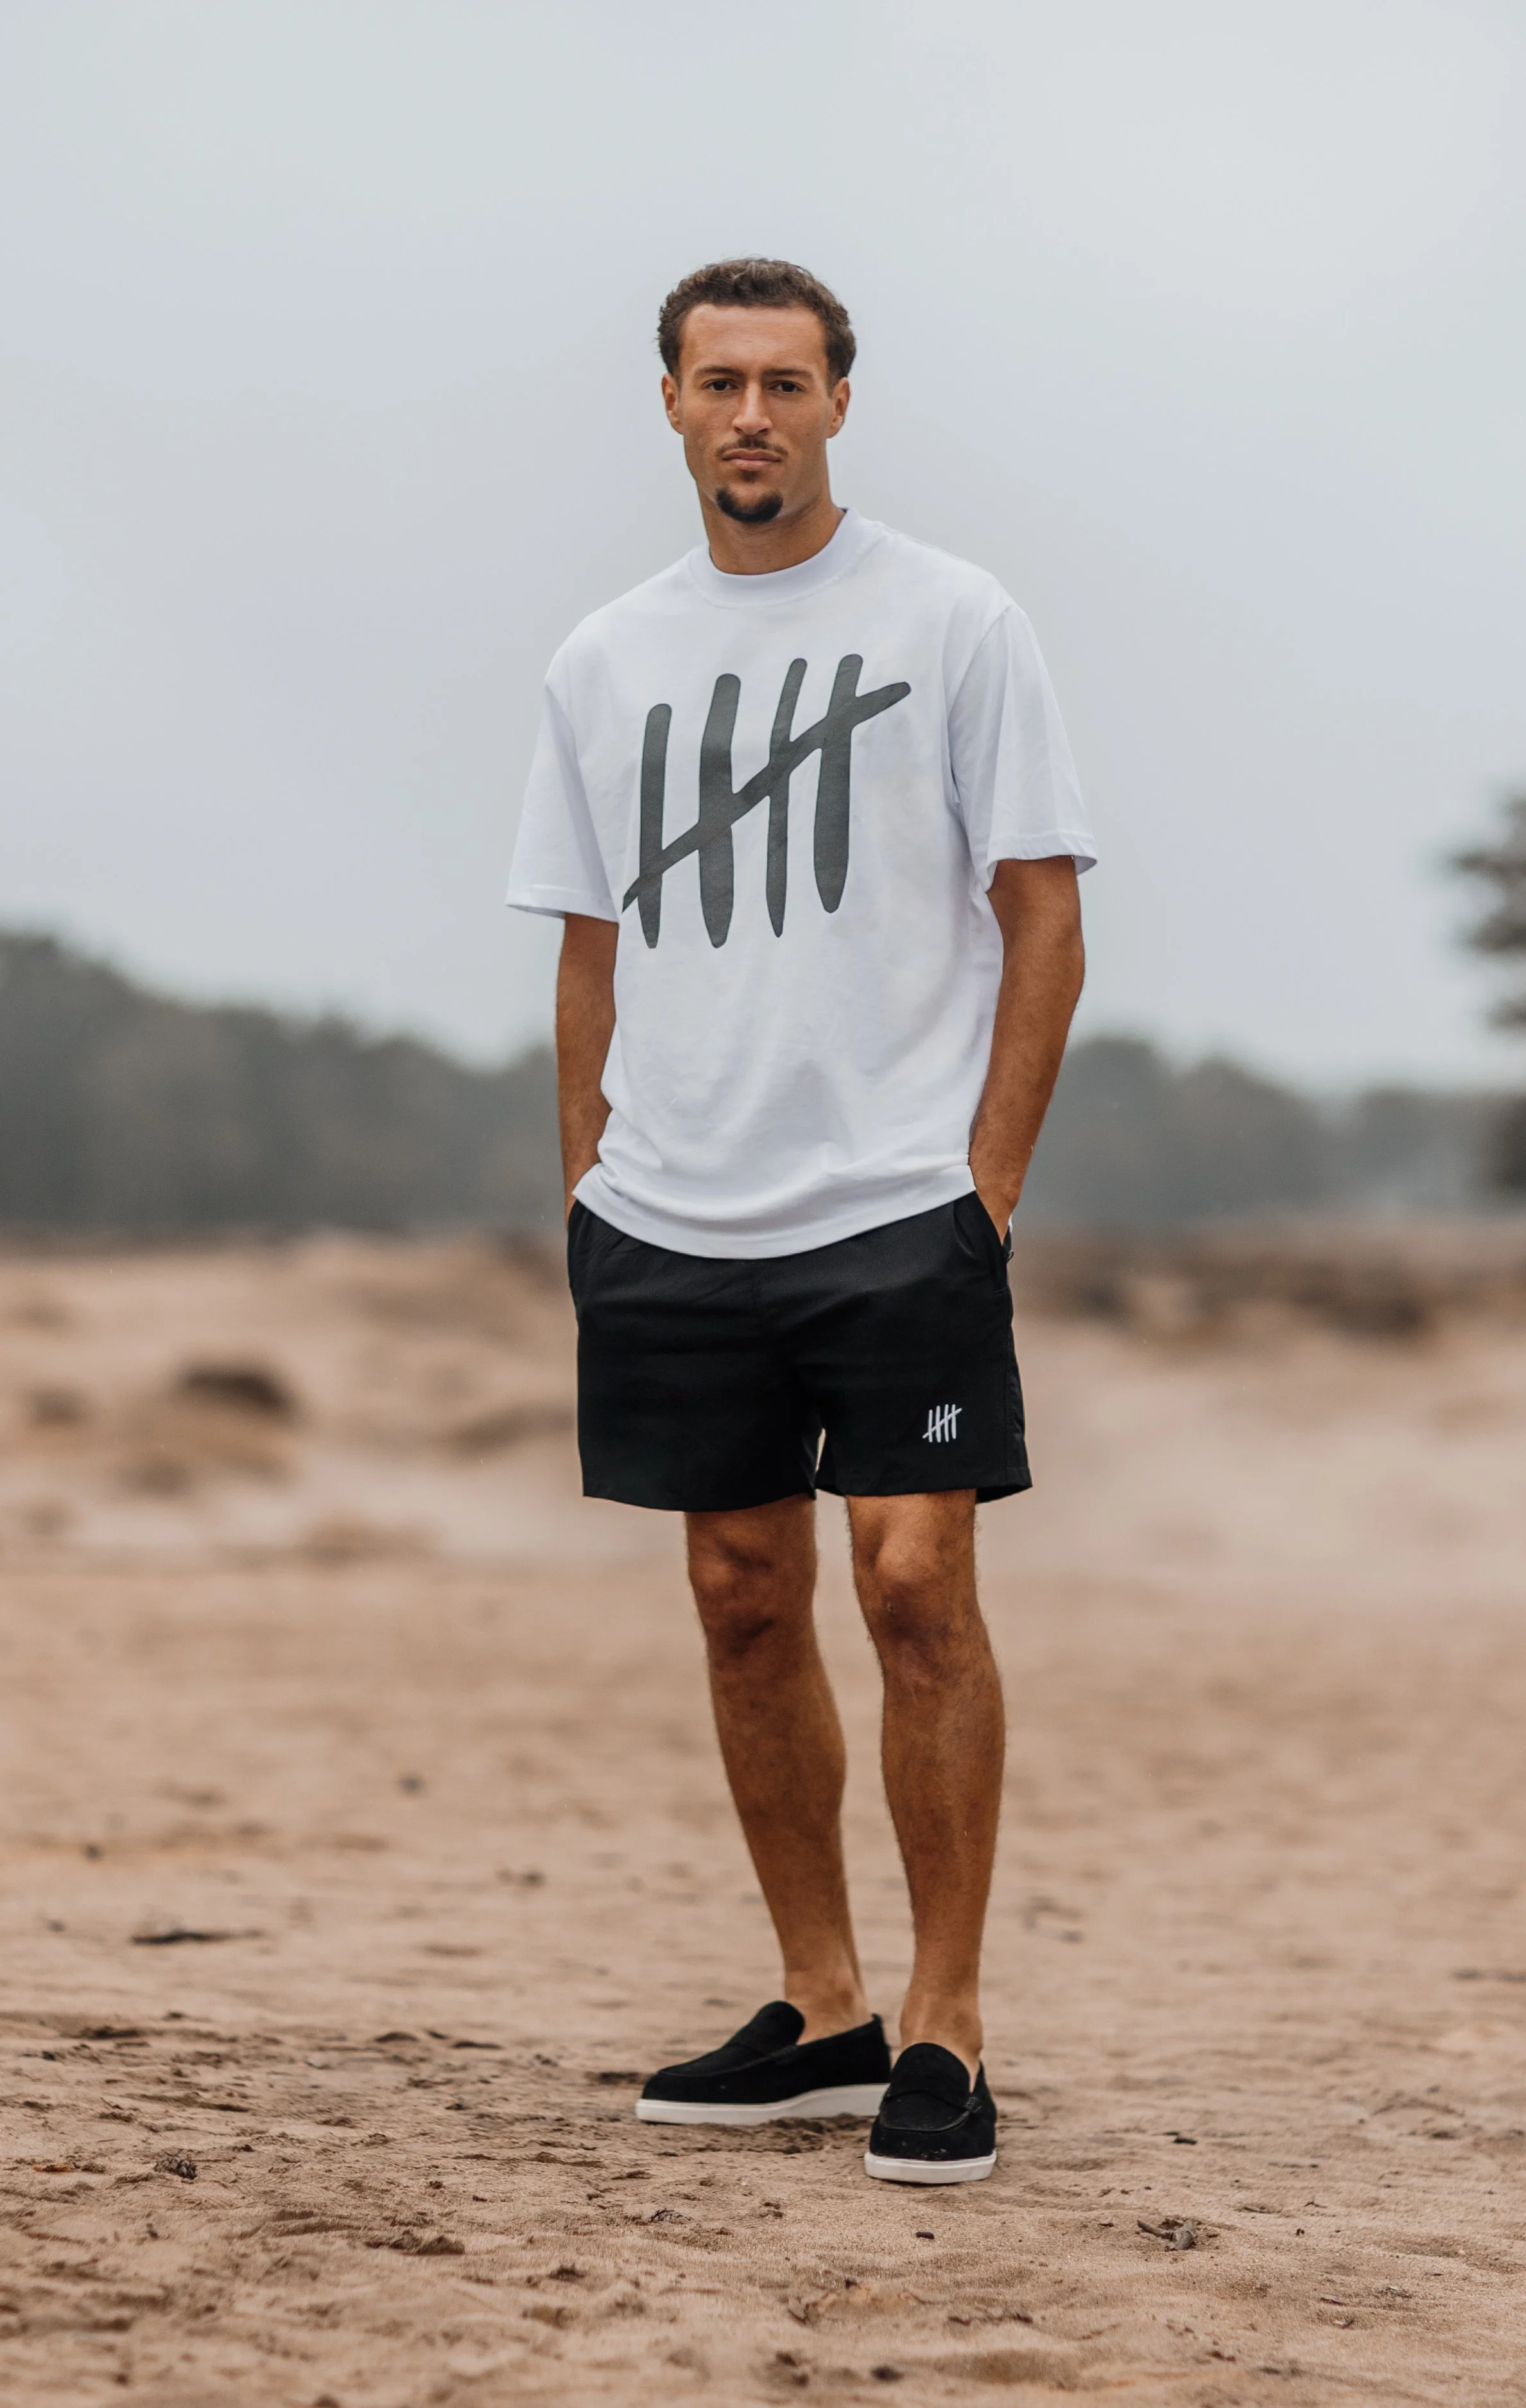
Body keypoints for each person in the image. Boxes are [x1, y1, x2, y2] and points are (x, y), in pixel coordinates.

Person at [507, 258, 1092, 2185]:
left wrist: (983, 1189)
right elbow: (588, 947)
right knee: (739, 1594)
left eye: (783, 381)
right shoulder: (605, 658)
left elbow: (1042, 916)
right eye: (718, 382)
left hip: (897, 1201)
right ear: (669, 405)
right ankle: (822, 2003)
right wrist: (587, 1183)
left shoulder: (954, 618)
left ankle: (944, 2025)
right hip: (670, 1211)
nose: (750, 414)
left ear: (840, 399)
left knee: (914, 1587)